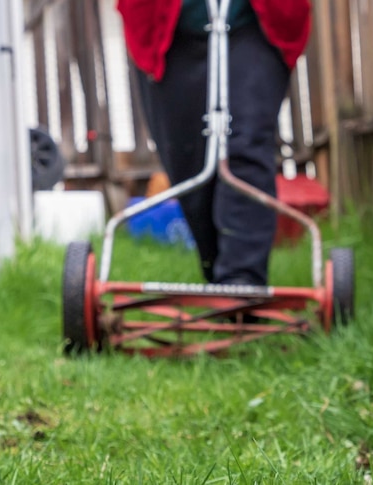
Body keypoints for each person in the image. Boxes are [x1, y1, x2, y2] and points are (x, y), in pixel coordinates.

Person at [117, 0, 311, 287]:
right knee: (187, 158)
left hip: (253, 23)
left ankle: (243, 280)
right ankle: (217, 267)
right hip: (172, 28)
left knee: (246, 142)